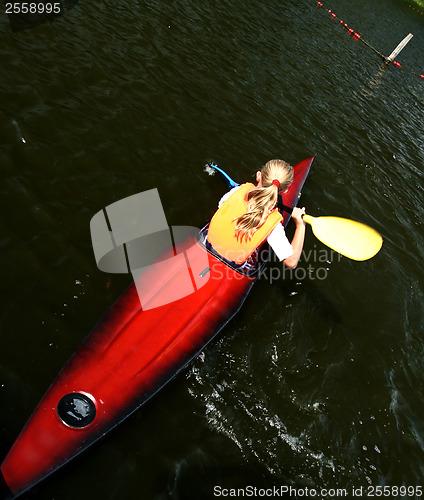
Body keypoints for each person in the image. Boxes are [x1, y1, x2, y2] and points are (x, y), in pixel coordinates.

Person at [207, 159, 306, 270]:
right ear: (285, 191)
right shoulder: (273, 224)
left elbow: (221, 205)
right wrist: (300, 226)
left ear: (259, 175)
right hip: (234, 263)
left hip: (208, 244)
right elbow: (291, 262)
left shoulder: (238, 190)